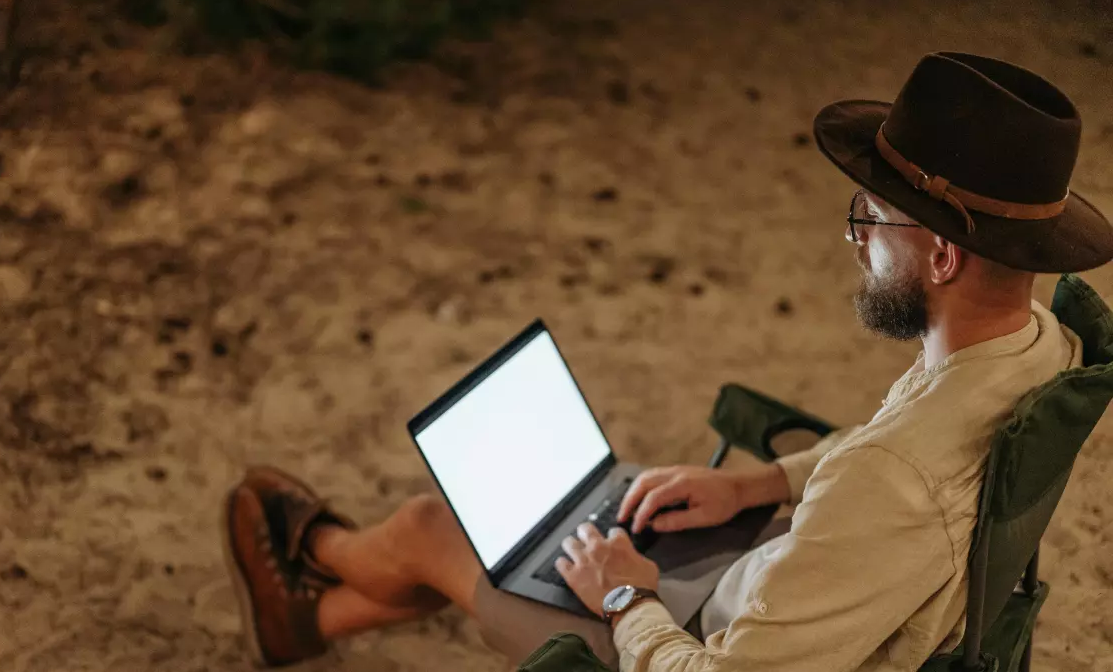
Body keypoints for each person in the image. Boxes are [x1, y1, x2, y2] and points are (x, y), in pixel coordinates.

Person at [220, 52, 1113, 671]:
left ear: (946, 257)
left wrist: (624, 601)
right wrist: (758, 485)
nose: (854, 240)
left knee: (435, 528)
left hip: (704, 639)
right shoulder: (1036, 347)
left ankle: (315, 579)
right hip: (811, 579)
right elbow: (896, 471)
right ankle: (307, 616)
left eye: (871, 220)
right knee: (545, 534)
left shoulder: (891, 480)